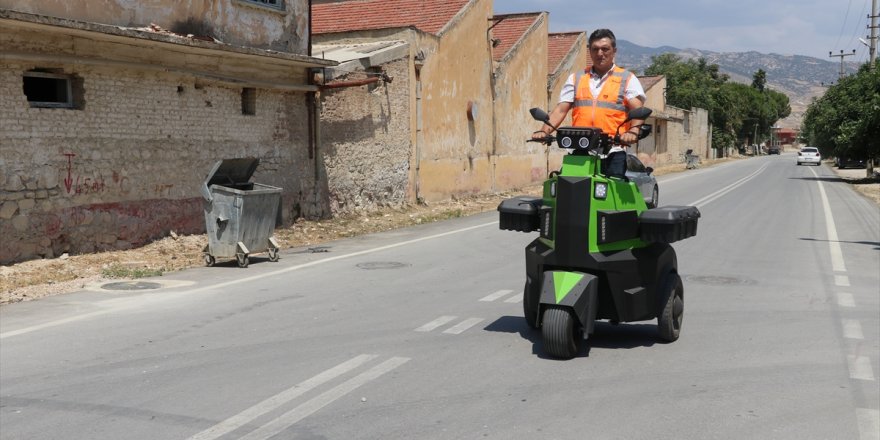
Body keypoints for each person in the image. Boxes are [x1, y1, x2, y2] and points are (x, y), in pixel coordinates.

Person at [532, 28, 646, 177]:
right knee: (566, 188)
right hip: (580, 148)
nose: (600, 53)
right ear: (590, 51)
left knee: (612, 193)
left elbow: (638, 110)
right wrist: (544, 131)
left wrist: (633, 132)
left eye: (605, 49)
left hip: (612, 149)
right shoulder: (576, 78)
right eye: (595, 49)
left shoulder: (627, 78)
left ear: (614, 51)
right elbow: (561, 109)